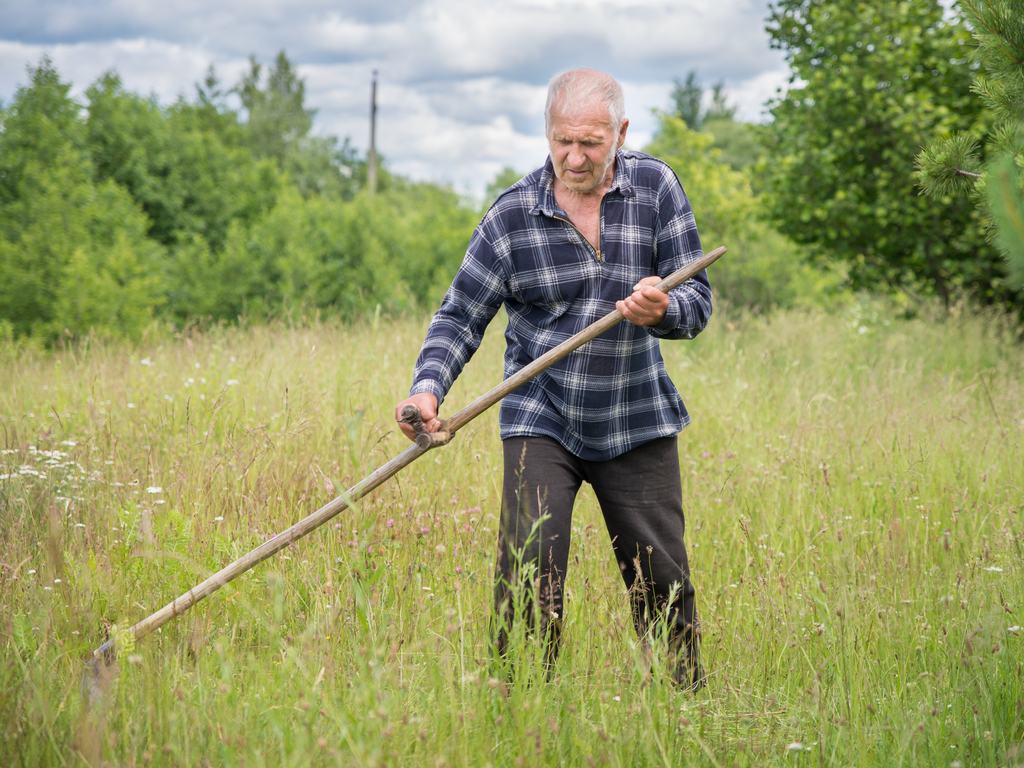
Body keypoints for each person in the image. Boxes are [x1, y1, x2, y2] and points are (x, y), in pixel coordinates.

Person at [394, 68, 712, 689]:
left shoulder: (656, 189)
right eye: (562, 140)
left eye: (591, 143)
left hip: (637, 416)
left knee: (662, 579)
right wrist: (428, 389)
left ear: (620, 133)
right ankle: (518, 708)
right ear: (546, 132)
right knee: (529, 570)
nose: (574, 156)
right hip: (542, 418)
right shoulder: (512, 216)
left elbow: (696, 299)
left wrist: (665, 310)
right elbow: (460, 314)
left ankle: (685, 707)